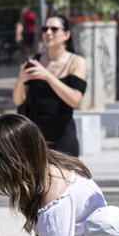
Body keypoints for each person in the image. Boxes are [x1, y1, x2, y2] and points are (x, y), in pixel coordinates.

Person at [13, 14, 87, 156]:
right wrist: (21, 80)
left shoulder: (76, 62)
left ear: (66, 35)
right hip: (34, 137)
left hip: (63, 137)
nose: (48, 33)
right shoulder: (33, 61)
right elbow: (18, 100)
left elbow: (74, 99)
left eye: (54, 29)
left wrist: (47, 76)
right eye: (44, 29)